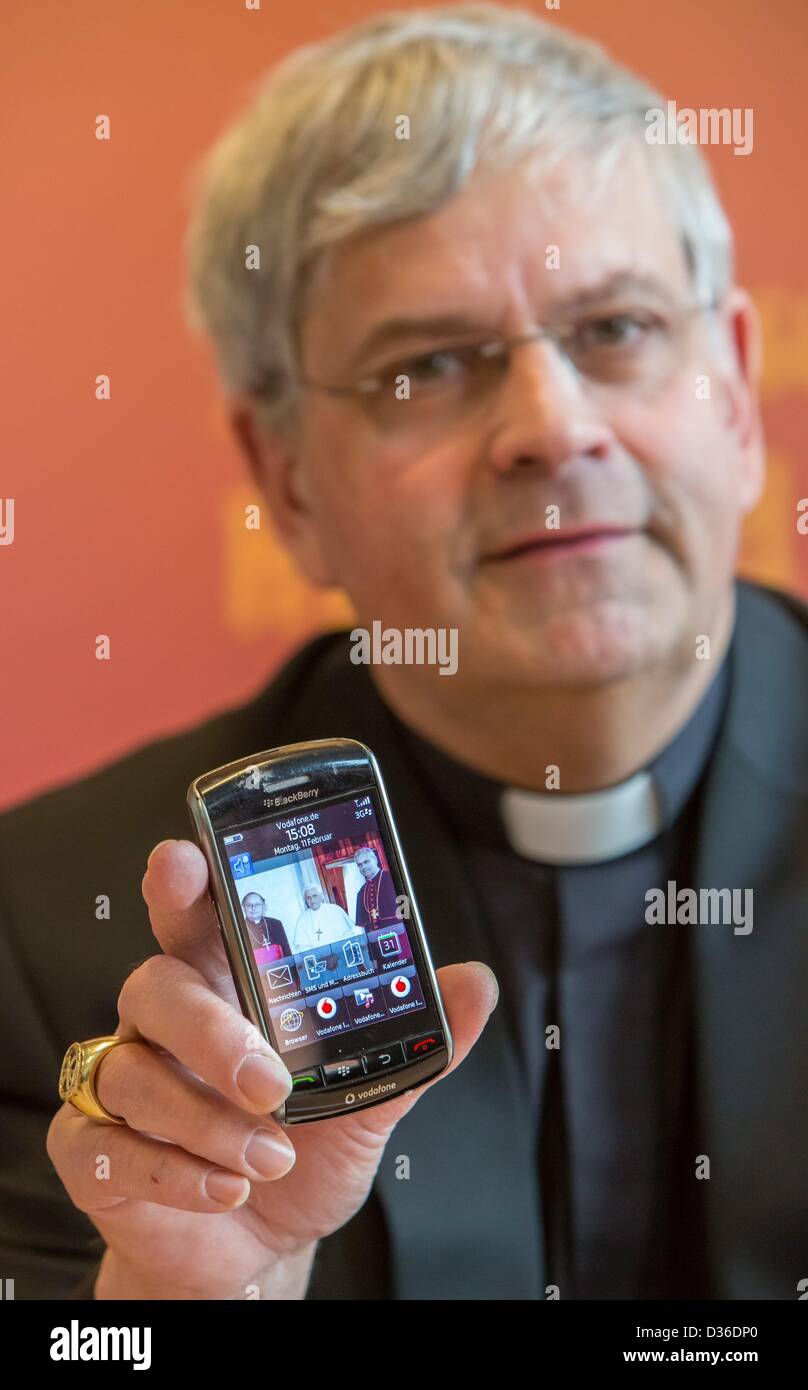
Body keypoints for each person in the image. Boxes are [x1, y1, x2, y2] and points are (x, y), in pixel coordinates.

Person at [1, 5, 806, 1301]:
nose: (551, 430)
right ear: (289, 481)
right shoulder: (53, 936)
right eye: (427, 366)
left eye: (615, 331)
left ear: (735, 383)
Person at [289, 884, 360, 950]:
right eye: (308, 898)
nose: (312, 900)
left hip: (342, 953)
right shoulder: (302, 918)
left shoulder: (335, 909)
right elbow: (302, 946)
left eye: (314, 896)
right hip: (319, 960)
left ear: (321, 896)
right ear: (305, 900)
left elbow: (349, 934)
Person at [353, 848, 400, 930]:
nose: (363, 867)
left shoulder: (393, 879)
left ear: (375, 860)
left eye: (366, 862)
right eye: (360, 865)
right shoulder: (361, 892)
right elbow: (365, 926)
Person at [241, 892, 292, 959]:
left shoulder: (276, 924)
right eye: (249, 905)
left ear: (263, 906)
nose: (253, 908)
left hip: (282, 968)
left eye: (257, 904)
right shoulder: (240, 929)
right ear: (243, 908)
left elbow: (286, 952)